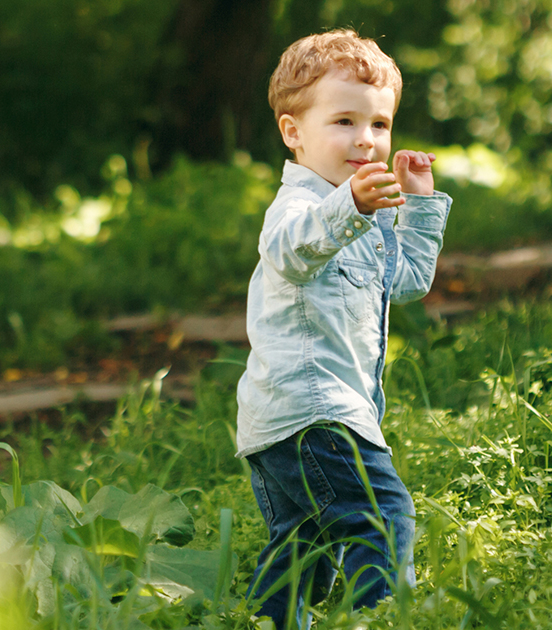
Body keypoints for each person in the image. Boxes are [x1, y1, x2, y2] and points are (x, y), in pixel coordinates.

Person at [235, 29, 452, 629]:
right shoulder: (298, 208)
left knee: (301, 551)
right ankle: (380, 622)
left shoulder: (364, 213)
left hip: (297, 421)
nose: (366, 139)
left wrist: (418, 205)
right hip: (313, 413)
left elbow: (405, 282)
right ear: (293, 132)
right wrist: (350, 206)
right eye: (344, 122)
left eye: (380, 124)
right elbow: (291, 251)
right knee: (382, 516)